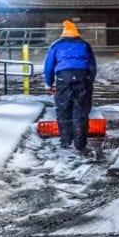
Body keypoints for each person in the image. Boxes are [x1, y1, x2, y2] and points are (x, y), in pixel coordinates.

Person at [44, 20, 97, 151]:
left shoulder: (56, 45)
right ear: (76, 34)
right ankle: (80, 144)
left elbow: (49, 66)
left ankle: (66, 142)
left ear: (63, 34)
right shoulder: (84, 45)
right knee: (81, 112)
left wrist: (49, 83)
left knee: (63, 110)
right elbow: (92, 65)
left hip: (63, 78)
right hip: (83, 78)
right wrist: (89, 81)